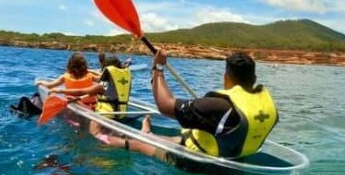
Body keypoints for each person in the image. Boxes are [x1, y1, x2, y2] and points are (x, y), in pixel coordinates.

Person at [106, 50, 278, 162]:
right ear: (254, 79)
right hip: (235, 160)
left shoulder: (219, 106)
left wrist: (157, 68)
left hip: (199, 164)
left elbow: (164, 105)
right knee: (173, 139)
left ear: (227, 77)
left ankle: (101, 137)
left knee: (139, 144)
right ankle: (149, 133)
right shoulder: (270, 108)